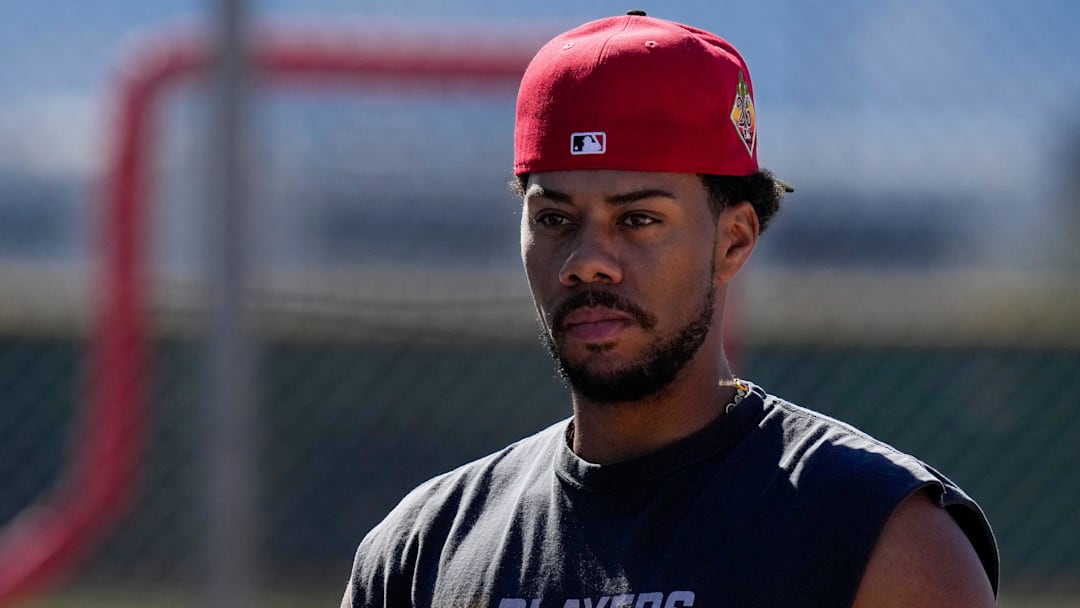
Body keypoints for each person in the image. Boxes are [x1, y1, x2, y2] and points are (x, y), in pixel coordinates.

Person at [341, 11, 999, 607]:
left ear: (734, 240)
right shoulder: (419, 554)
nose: (586, 261)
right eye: (554, 218)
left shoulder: (878, 537)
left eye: (638, 219)